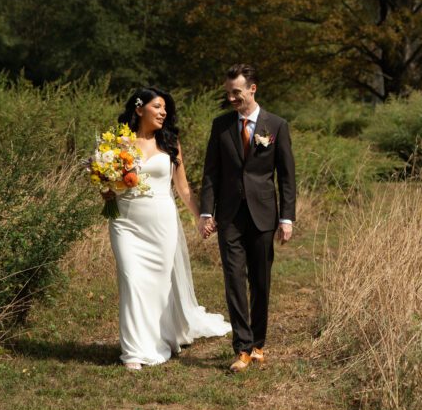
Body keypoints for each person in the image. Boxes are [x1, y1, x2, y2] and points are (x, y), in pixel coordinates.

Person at [106, 86, 230, 369]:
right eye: (157, 107)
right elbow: (110, 184)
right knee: (132, 280)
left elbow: (183, 188)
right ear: (139, 110)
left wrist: (202, 217)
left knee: (160, 286)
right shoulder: (118, 143)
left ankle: (160, 338)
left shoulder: (171, 143)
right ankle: (134, 352)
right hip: (125, 223)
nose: (164, 113)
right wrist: (105, 188)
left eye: (165, 109)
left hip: (161, 222)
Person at [199, 63, 296, 372]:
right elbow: (211, 173)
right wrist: (205, 212)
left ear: (252, 89)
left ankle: (258, 344)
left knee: (260, 280)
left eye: (236, 92)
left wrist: (287, 218)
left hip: (264, 215)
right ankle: (241, 347)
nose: (231, 98)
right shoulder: (221, 126)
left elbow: (287, 177)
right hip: (229, 217)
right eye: (228, 93)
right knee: (233, 280)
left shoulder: (276, 125)